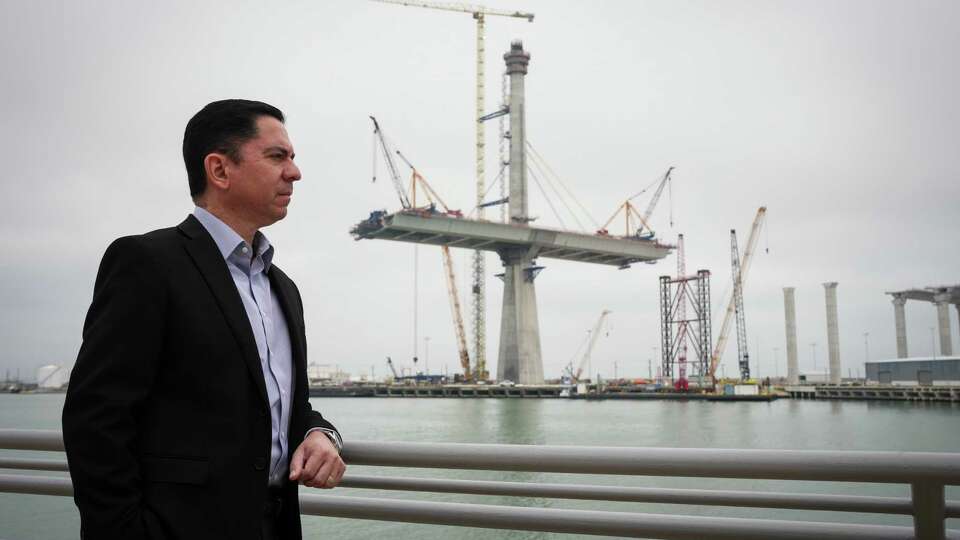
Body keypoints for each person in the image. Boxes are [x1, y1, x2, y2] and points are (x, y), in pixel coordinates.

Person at [62, 99, 345, 540]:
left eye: (292, 157)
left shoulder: (283, 288)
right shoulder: (147, 263)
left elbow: (284, 408)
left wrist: (321, 434)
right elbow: (95, 418)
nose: (294, 172)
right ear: (219, 170)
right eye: (277, 156)